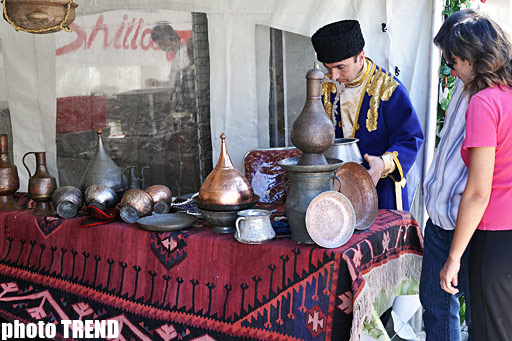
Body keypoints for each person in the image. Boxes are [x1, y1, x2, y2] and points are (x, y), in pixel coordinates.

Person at [436, 9, 512, 340]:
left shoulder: (484, 102)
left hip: (495, 236)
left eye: (453, 63)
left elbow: (479, 191)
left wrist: (453, 258)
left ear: (472, 59)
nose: (452, 72)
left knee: (490, 332)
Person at [311, 20, 424, 210]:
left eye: (340, 67)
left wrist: (383, 163)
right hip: (337, 190)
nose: (334, 76)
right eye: (328, 68)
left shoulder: (389, 90)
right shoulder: (326, 89)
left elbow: (411, 138)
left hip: (381, 192)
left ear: (361, 56)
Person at [147, 23, 190, 87]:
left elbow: (179, 85)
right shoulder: (179, 54)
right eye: (159, 45)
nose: (161, 47)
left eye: (161, 43)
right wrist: (158, 83)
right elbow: (173, 84)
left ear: (168, 37)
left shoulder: (183, 55)